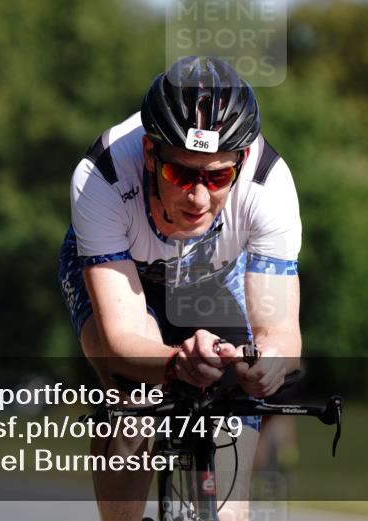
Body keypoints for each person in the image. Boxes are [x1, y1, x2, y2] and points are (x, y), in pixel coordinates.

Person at [59, 56, 302, 521]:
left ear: (242, 161)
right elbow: (121, 336)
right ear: (151, 153)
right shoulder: (103, 176)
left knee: (231, 493)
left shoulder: (269, 185)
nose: (197, 197)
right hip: (125, 271)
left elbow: (280, 332)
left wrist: (265, 366)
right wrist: (174, 362)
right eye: (180, 175)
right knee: (132, 397)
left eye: (216, 177)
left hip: (205, 274)